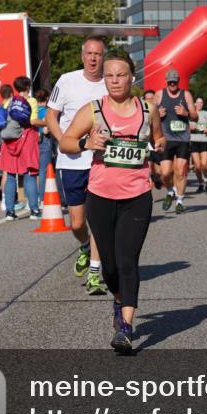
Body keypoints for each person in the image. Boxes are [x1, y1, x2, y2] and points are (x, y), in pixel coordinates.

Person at [59, 50, 164, 353]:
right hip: (101, 197)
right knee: (109, 267)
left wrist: (158, 146)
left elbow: (159, 138)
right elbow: (65, 141)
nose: (115, 80)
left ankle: (127, 327)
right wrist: (85, 143)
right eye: (109, 75)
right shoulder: (92, 110)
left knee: (128, 260)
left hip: (137, 196)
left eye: (120, 74)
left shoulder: (148, 108)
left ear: (132, 76)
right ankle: (118, 302)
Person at [46, 36, 110, 295]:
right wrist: (64, 141)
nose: (93, 58)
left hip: (100, 161)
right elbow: (51, 116)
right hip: (71, 161)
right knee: (76, 223)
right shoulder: (67, 80)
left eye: (98, 54)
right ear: (82, 55)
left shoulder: (110, 84)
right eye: (89, 53)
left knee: (98, 219)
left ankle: (95, 273)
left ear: (103, 57)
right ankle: (84, 246)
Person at [0, 76, 41, 220]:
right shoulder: (32, 101)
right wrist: (46, 122)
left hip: (9, 142)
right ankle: (34, 210)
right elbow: (33, 121)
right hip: (27, 139)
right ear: (28, 87)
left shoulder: (9, 102)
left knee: (10, 175)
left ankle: (10, 212)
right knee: (30, 175)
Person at [157, 69, 197, 213]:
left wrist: (186, 113)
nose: (172, 84)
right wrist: (157, 114)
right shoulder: (159, 94)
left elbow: (195, 116)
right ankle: (170, 191)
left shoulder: (185, 95)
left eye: (175, 82)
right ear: (166, 82)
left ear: (178, 81)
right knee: (165, 173)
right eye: (170, 82)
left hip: (182, 139)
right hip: (166, 139)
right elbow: (150, 115)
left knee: (180, 171)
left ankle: (180, 200)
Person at [34, 88, 62, 205]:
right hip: (45, 141)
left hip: (34, 141)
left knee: (36, 171)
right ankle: (43, 198)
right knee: (45, 171)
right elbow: (46, 130)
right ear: (46, 99)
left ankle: (36, 198)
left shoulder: (34, 111)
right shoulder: (46, 112)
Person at [188, 97, 207, 194]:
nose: (199, 104)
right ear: (194, 104)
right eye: (198, 103)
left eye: (201, 103)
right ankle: (200, 184)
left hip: (203, 140)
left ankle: (206, 180)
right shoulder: (190, 114)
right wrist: (189, 128)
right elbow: (185, 125)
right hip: (193, 140)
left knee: (205, 164)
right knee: (197, 166)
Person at [143, 89, 163, 190]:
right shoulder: (140, 112)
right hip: (146, 145)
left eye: (152, 99)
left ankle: (156, 177)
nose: (150, 101)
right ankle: (148, 194)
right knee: (148, 169)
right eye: (147, 99)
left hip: (158, 144)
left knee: (161, 171)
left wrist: (160, 116)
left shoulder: (162, 110)